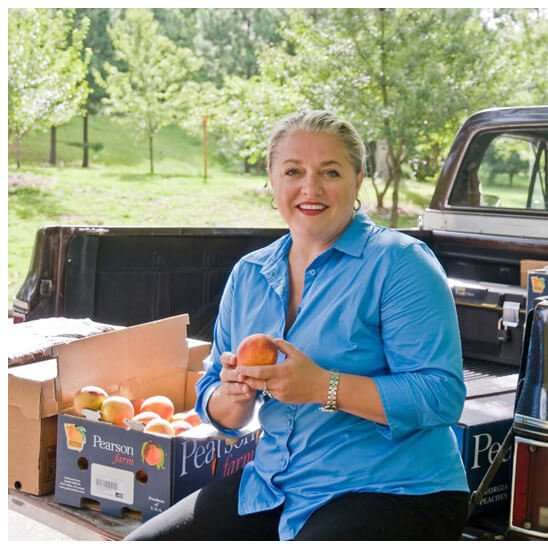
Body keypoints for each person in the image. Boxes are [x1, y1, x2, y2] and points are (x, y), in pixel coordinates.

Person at [125, 110, 470, 541]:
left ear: (358, 178)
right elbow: (213, 393)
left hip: (396, 490)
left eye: (330, 172)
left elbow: (441, 396)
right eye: (293, 171)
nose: (311, 188)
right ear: (272, 179)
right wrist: (233, 396)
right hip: (276, 485)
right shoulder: (250, 274)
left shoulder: (400, 264)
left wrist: (323, 386)